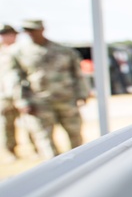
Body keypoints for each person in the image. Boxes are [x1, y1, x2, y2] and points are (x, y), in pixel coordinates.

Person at [10, 20, 89, 159]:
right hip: (39, 102)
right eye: (26, 30)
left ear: (42, 29)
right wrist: (22, 101)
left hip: (66, 99)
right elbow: (16, 79)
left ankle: (80, 161)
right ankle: (54, 167)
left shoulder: (64, 50)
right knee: (43, 138)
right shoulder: (19, 53)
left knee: (75, 134)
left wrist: (82, 93)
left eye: (33, 29)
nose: (30, 33)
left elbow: (77, 74)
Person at [0, 24, 26, 163]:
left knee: (31, 124)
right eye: (4, 34)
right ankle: (11, 151)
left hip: (24, 94)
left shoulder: (23, 50)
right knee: (7, 125)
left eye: (10, 34)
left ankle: (36, 149)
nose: (7, 36)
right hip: (4, 95)